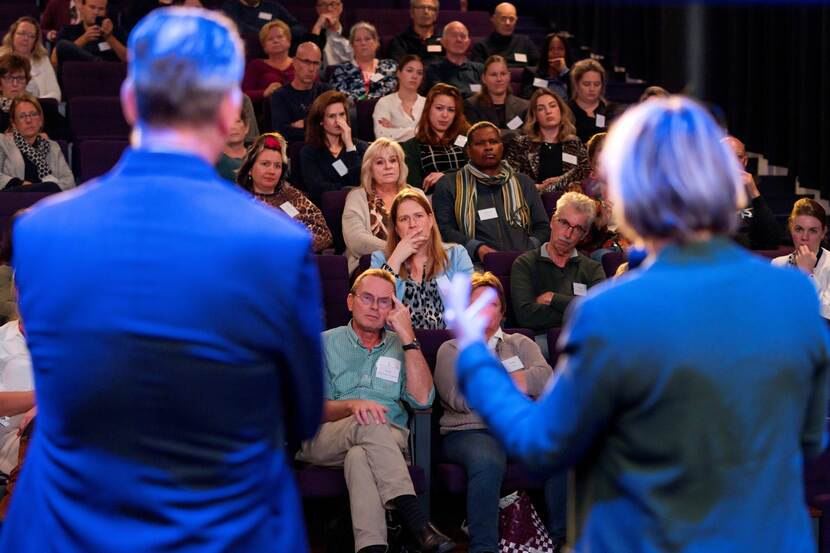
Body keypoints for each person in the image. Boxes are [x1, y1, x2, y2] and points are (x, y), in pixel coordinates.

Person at [441, 96, 830, 553]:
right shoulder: (794, 294)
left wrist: (471, 349)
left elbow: (542, 443)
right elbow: (810, 437)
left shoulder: (609, 312)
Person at [0, 9, 324, 552]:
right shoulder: (278, 243)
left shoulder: (40, 231)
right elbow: (302, 410)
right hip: (227, 530)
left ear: (130, 101)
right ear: (228, 111)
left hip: (72, 528)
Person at [297, 268, 455, 553]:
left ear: (393, 307)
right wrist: (352, 405)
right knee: (368, 420)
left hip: (385, 443)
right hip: (326, 439)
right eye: (367, 298)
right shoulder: (323, 343)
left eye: (384, 301)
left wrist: (407, 336)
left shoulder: (402, 346)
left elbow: (423, 401)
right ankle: (417, 521)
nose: (374, 307)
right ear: (350, 301)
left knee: (360, 457)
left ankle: (372, 549)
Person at [434, 271, 566, 552]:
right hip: (469, 431)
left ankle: (562, 541)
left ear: (502, 311)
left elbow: (545, 379)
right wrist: (517, 383)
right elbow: (458, 398)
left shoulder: (521, 343)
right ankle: (484, 547)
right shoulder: (451, 349)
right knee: (487, 457)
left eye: (491, 303)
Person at [433, 121, 550, 264]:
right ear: (468, 150)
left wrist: (530, 246)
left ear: (501, 146)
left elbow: (543, 227)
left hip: (524, 263)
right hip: (474, 265)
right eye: (480, 143)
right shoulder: (449, 184)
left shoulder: (523, 182)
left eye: (493, 142)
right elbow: (443, 229)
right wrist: (477, 248)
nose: (488, 147)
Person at [510, 192, 605, 351]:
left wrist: (553, 298)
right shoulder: (525, 263)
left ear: (584, 235)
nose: (567, 234)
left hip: (583, 338)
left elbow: (599, 311)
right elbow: (526, 317)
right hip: (541, 342)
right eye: (563, 223)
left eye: (577, 229)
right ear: (553, 220)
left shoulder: (592, 268)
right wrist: (579, 308)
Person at [371, 188, 473, 329]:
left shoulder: (456, 255)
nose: (413, 224)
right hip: (397, 345)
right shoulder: (380, 259)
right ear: (395, 227)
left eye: (418, 216)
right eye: (404, 219)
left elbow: (470, 304)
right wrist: (396, 258)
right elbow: (373, 306)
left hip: (448, 342)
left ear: (430, 220)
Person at [237, 133, 333, 253]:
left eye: (277, 166)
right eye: (265, 164)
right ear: (250, 169)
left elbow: (324, 234)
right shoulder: (238, 201)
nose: (272, 171)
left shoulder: (292, 195)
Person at [343, 138, 411, 273]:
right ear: (370, 169)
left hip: (416, 262)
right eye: (380, 162)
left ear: (400, 165)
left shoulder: (416, 194)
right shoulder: (357, 197)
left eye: (393, 160)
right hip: (373, 266)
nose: (388, 166)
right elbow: (356, 240)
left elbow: (429, 233)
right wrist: (398, 250)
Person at [504, 88, 588, 193]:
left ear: (560, 110)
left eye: (552, 106)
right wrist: (536, 188)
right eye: (541, 109)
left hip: (568, 203)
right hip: (532, 201)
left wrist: (560, 181)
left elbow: (586, 171)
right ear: (535, 115)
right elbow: (509, 177)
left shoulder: (574, 143)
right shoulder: (521, 144)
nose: (548, 111)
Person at [300, 89, 368, 206]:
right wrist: (346, 187)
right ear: (321, 120)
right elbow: (317, 189)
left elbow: (362, 183)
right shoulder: (309, 152)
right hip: (327, 208)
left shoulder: (360, 147)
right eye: (332, 116)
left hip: (360, 206)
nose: (338, 121)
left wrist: (349, 146)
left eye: (342, 114)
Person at [401, 83, 470, 192]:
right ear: (428, 109)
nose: (445, 115)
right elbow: (415, 189)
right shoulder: (412, 147)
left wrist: (446, 176)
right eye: (439, 108)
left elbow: (477, 171)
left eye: (451, 110)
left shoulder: (463, 139)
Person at [0, 94, 74, 192]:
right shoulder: (3, 142)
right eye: (22, 116)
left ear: (40, 119)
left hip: (46, 202)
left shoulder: (52, 146)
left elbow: (69, 182)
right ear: (14, 123)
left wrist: (46, 190)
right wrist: (19, 183)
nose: (29, 120)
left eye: (33, 114)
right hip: (15, 201)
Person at [772, 198, 830, 319]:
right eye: (799, 229)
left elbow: (827, 315)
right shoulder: (778, 264)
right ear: (790, 228)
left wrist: (807, 273)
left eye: (813, 231)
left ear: (823, 232)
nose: (804, 237)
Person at [577, 133, 631, 261]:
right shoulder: (581, 191)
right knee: (604, 256)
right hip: (602, 248)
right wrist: (601, 222)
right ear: (592, 165)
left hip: (634, 244)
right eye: (600, 164)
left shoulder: (634, 187)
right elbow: (576, 236)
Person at [721, 135, 780, 249]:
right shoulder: (703, 191)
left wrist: (754, 192)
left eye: (737, 157)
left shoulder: (756, 190)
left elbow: (772, 240)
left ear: (745, 161)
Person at [269, 41, 331, 143]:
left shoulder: (326, 92)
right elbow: (283, 133)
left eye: (316, 63)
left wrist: (305, 123)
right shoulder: (280, 96)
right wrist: (320, 127)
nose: (311, 68)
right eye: (306, 62)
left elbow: (338, 123)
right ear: (294, 62)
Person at [329, 22, 397, 102]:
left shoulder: (391, 67)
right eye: (358, 40)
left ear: (376, 42)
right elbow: (341, 99)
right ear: (352, 45)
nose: (363, 43)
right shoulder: (341, 71)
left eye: (367, 39)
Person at [0, 17, 61, 101]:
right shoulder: (1, 55)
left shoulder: (42, 60)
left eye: (31, 36)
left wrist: (32, 103)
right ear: (12, 35)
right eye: (21, 33)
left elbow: (55, 94)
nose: (26, 38)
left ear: (35, 42)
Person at [51, 0, 127, 66]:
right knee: (63, 45)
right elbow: (54, 61)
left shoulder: (117, 32)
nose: (96, 12)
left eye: (101, 9)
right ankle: (98, 63)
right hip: (77, 77)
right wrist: (84, 39)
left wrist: (110, 38)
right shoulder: (68, 31)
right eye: (92, 7)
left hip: (109, 78)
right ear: (82, 9)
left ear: (106, 12)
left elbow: (130, 60)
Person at [464, 55, 528, 129]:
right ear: (484, 78)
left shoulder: (524, 107)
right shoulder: (471, 105)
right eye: (493, 75)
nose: (499, 79)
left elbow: (525, 134)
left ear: (509, 76)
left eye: (503, 74)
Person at [423, 21, 483, 99]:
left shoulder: (480, 70)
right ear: (443, 42)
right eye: (454, 36)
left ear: (468, 42)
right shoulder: (433, 70)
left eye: (463, 36)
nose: (459, 40)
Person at [372, 54, 425, 142]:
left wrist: (395, 128)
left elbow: (434, 134)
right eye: (409, 70)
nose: (414, 76)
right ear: (399, 73)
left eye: (419, 73)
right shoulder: (384, 102)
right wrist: (419, 132)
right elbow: (381, 136)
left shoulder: (428, 103)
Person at [241, 19, 294, 105]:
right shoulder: (256, 65)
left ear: (289, 41)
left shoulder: (300, 62)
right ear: (264, 47)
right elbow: (242, 96)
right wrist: (264, 93)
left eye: (280, 37)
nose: (275, 41)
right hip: (263, 114)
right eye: (270, 39)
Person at [471, 2, 539, 68]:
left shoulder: (525, 42)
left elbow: (539, 67)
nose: (508, 23)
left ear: (516, 21)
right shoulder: (481, 46)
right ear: (494, 19)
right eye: (503, 18)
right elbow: (479, 73)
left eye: (512, 19)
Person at [568, 59, 615, 144]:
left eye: (597, 84)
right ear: (576, 84)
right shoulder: (566, 110)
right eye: (586, 84)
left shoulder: (610, 111)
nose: (592, 89)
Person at [387, 0, 443, 65]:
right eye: (421, 7)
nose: (426, 11)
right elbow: (400, 67)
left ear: (436, 15)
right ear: (412, 13)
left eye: (430, 8)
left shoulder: (444, 39)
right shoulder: (399, 41)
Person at [520, 32, 571, 100]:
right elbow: (526, 100)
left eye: (560, 49)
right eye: (551, 49)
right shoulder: (532, 73)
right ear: (545, 52)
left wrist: (564, 71)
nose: (556, 52)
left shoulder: (572, 75)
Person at [219, 0, 304, 39]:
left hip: (274, 52)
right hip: (248, 53)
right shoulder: (230, 7)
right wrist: (266, 35)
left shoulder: (272, 6)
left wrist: (283, 33)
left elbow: (298, 27)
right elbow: (239, 28)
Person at [305, 0, 352, 68]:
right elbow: (308, 61)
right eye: (324, 5)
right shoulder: (310, 34)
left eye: (333, 4)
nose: (329, 9)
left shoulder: (353, 33)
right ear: (318, 9)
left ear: (341, 7)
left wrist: (335, 30)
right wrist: (318, 27)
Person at [215, 109, 250, 181]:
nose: (233, 127)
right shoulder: (212, 162)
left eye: (237, 121)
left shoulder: (257, 157)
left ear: (246, 127)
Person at [0, 54, 31, 132]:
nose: (15, 84)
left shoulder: (38, 107)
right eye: (9, 78)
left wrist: (47, 135)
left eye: (20, 78)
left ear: (26, 82)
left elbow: (63, 132)